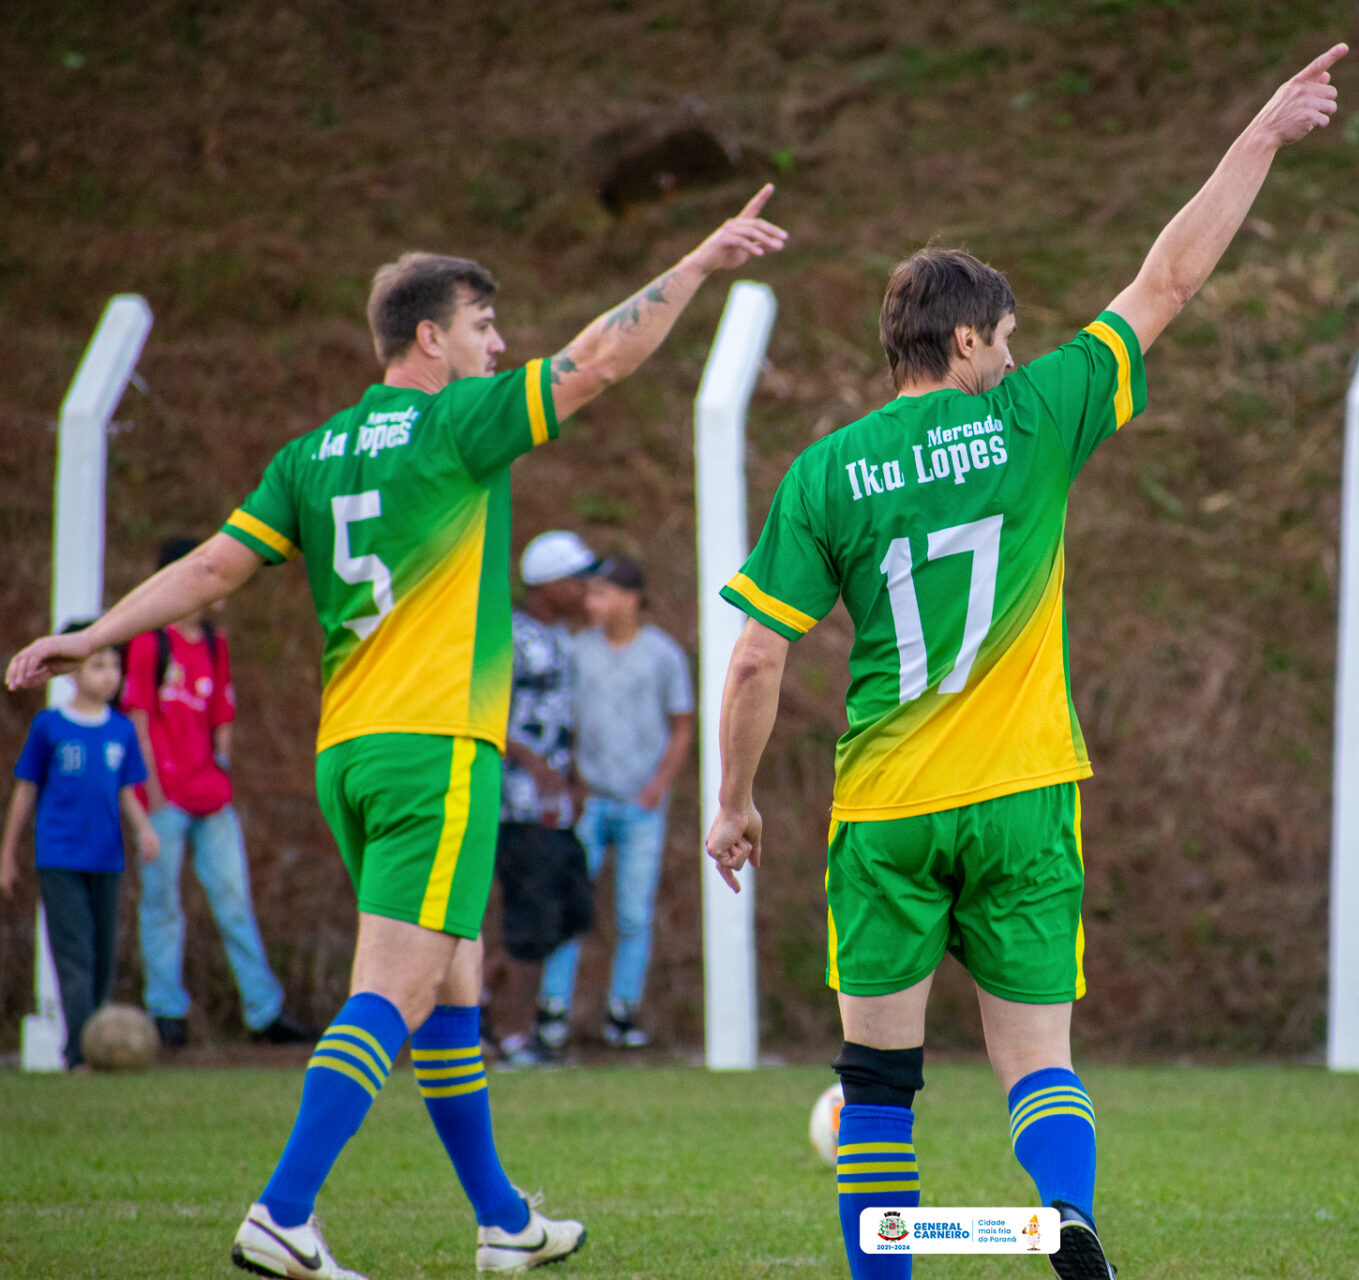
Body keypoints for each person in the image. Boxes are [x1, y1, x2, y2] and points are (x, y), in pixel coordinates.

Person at [6, 187, 785, 1279]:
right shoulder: (459, 421)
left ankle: (503, 1219)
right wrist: (696, 262)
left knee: (453, 982)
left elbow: (213, 569)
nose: (500, 344)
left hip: (352, 753)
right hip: (436, 748)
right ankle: (284, 1208)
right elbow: (598, 359)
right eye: (483, 327)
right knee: (400, 989)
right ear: (431, 336)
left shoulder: (313, 454)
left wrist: (90, 629)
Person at [702, 48, 1344, 1280]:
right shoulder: (1034, 418)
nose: (1013, 353)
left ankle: (894, 1265)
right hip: (1023, 790)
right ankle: (1064, 1216)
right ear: (959, 338)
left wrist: (733, 803)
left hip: (887, 805)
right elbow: (1169, 279)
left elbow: (752, 660)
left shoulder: (828, 471)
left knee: (878, 1083)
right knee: (1038, 1066)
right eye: (1002, 336)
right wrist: (1258, 133)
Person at [125, 537, 312, 1049]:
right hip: (164, 800)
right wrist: (153, 792)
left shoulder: (214, 643)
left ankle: (264, 1013)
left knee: (234, 901)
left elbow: (222, 717)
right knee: (162, 904)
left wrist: (222, 772)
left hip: (212, 797)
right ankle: (166, 1013)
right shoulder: (149, 642)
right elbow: (138, 718)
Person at [540, 554, 694, 1050]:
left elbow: (681, 726)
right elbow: (561, 724)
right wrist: (572, 780)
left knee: (633, 914)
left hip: (641, 806)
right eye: (589, 594)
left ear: (631, 598)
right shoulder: (576, 652)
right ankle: (553, 1010)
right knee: (569, 908)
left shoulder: (662, 655)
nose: (591, 603)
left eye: (602, 593)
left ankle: (622, 1014)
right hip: (589, 804)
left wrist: (658, 785)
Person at [0, 638, 160, 1068]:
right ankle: (78, 1055)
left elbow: (126, 791)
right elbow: (26, 789)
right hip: (60, 856)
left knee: (104, 956)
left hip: (107, 857)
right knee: (76, 956)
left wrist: (144, 829)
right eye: (97, 665)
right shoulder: (49, 727)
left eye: (115, 666)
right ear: (71, 670)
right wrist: (7, 852)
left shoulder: (121, 729)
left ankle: (99, 1048)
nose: (109, 675)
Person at [493, 529, 597, 1069]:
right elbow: (484, 710)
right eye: (575, 578)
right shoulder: (509, 636)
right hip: (514, 802)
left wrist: (573, 775)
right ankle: (513, 1034)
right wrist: (530, 762)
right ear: (546, 582)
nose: (584, 588)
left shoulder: (562, 639)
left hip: (555, 806)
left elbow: (562, 717)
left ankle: (488, 993)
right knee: (528, 919)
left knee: (574, 910)